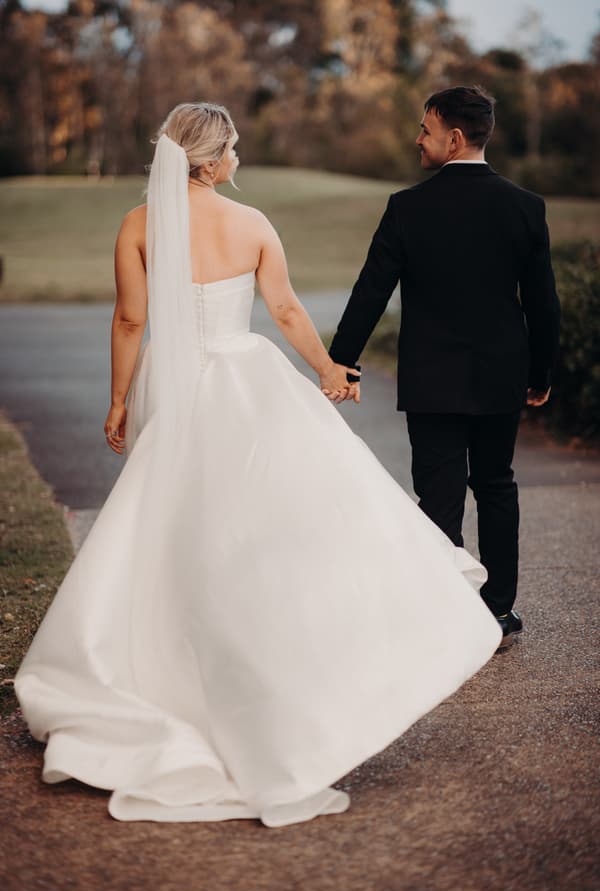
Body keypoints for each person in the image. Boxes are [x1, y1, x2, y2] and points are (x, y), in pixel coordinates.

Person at [15, 102, 501, 828]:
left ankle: (170, 671)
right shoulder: (252, 225)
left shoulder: (137, 225)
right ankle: (281, 673)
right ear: (211, 162)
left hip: (174, 388)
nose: (238, 156)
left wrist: (118, 400)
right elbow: (286, 310)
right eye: (233, 147)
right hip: (247, 382)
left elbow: (128, 319)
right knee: (266, 529)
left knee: (172, 525)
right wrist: (329, 372)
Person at [329, 86, 561, 649]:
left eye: (425, 130)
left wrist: (342, 360)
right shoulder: (525, 207)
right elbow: (543, 301)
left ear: (454, 138)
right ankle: (499, 612)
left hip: (432, 376)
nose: (418, 139)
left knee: (438, 494)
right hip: (501, 373)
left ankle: (445, 611)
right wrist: (542, 373)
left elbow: (370, 293)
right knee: (497, 485)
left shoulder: (407, 208)